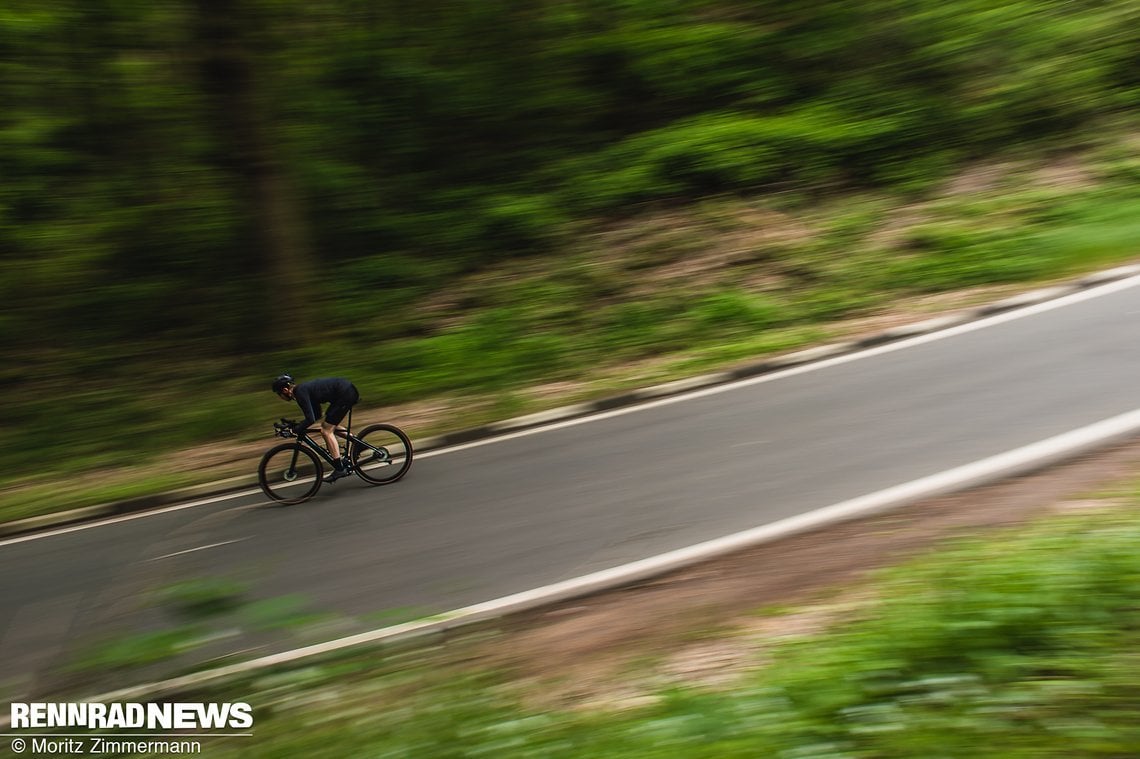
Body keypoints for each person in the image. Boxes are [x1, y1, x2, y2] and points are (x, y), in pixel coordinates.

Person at [272, 374, 360, 482]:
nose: (280, 397)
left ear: (285, 390)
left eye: (279, 394)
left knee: (326, 431)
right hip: (345, 392)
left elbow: (310, 419)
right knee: (327, 425)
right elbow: (317, 414)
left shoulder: (300, 393)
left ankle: (340, 468)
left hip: (345, 394)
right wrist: (296, 425)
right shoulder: (301, 391)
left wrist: (293, 430)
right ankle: (358, 444)